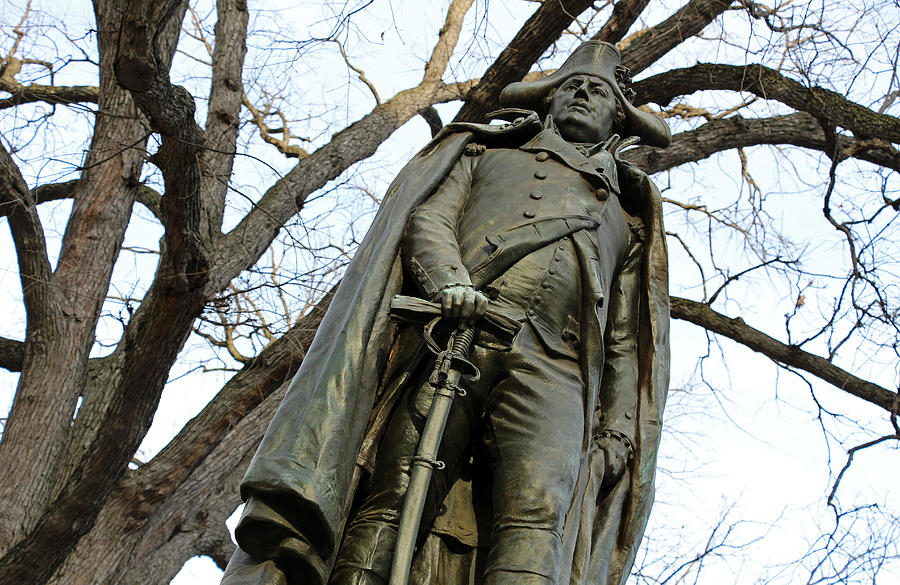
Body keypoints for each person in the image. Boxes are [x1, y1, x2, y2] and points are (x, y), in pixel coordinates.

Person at [221, 41, 671, 585]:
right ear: (547, 102)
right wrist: (451, 283)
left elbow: (626, 338)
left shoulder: (629, 216)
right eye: (569, 86)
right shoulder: (482, 154)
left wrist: (621, 428)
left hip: (558, 372)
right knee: (397, 493)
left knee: (538, 518)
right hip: (454, 338)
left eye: (596, 91)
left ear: (616, 118)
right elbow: (429, 220)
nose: (580, 95)